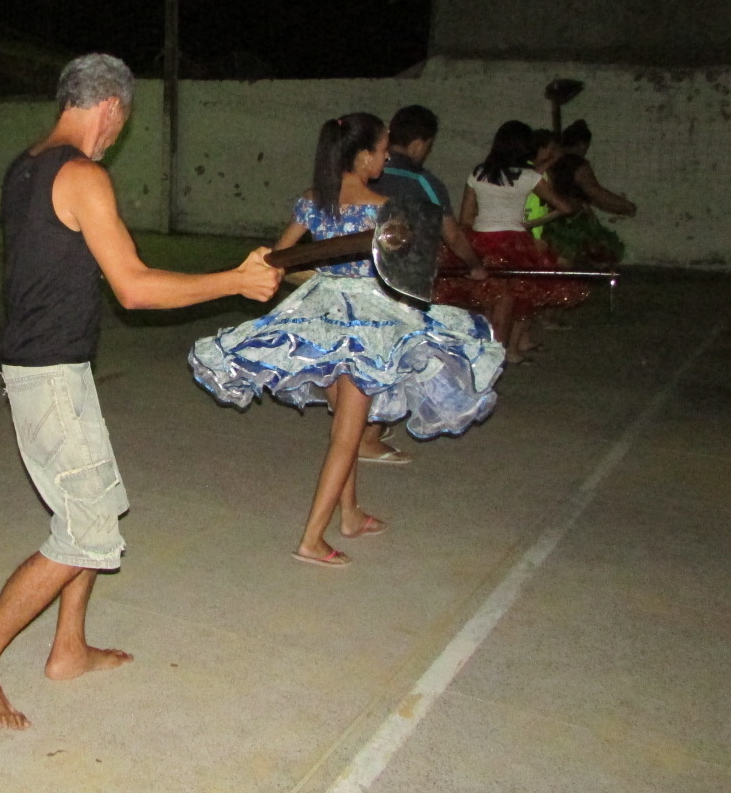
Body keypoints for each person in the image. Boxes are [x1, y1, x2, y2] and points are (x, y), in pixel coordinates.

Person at [0, 53, 281, 731]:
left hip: (51, 367)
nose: (115, 136)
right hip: (49, 375)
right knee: (85, 530)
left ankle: (68, 648)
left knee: (98, 507)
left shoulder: (26, 166)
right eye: (120, 123)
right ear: (111, 107)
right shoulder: (83, 175)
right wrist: (234, 282)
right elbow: (134, 287)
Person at [191, 113, 504, 569]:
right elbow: (407, 278)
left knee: (346, 426)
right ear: (362, 156)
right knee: (347, 436)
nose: (385, 158)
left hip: (322, 321)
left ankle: (351, 514)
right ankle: (311, 539)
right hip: (366, 329)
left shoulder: (312, 201)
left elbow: (276, 261)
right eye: (382, 150)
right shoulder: (385, 209)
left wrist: (320, 279)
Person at [357, 103, 489, 462]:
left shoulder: (362, 173)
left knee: (366, 353)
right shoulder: (424, 183)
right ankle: (367, 436)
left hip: (360, 275)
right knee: (397, 353)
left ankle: (360, 426)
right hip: (402, 281)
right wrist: (475, 264)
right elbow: (452, 235)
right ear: (419, 143)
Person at [434, 119, 581, 361]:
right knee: (506, 306)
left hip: (481, 241)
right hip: (514, 244)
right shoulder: (529, 176)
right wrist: (530, 224)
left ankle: (481, 358)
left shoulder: (479, 173)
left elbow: (466, 218)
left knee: (484, 306)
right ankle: (495, 360)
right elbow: (564, 207)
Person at [543, 119, 636, 269]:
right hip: (572, 223)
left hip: (548, 220)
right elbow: (594, 191)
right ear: (582, 144)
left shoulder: (548, 162)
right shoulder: (577, 165)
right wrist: (625, 205)